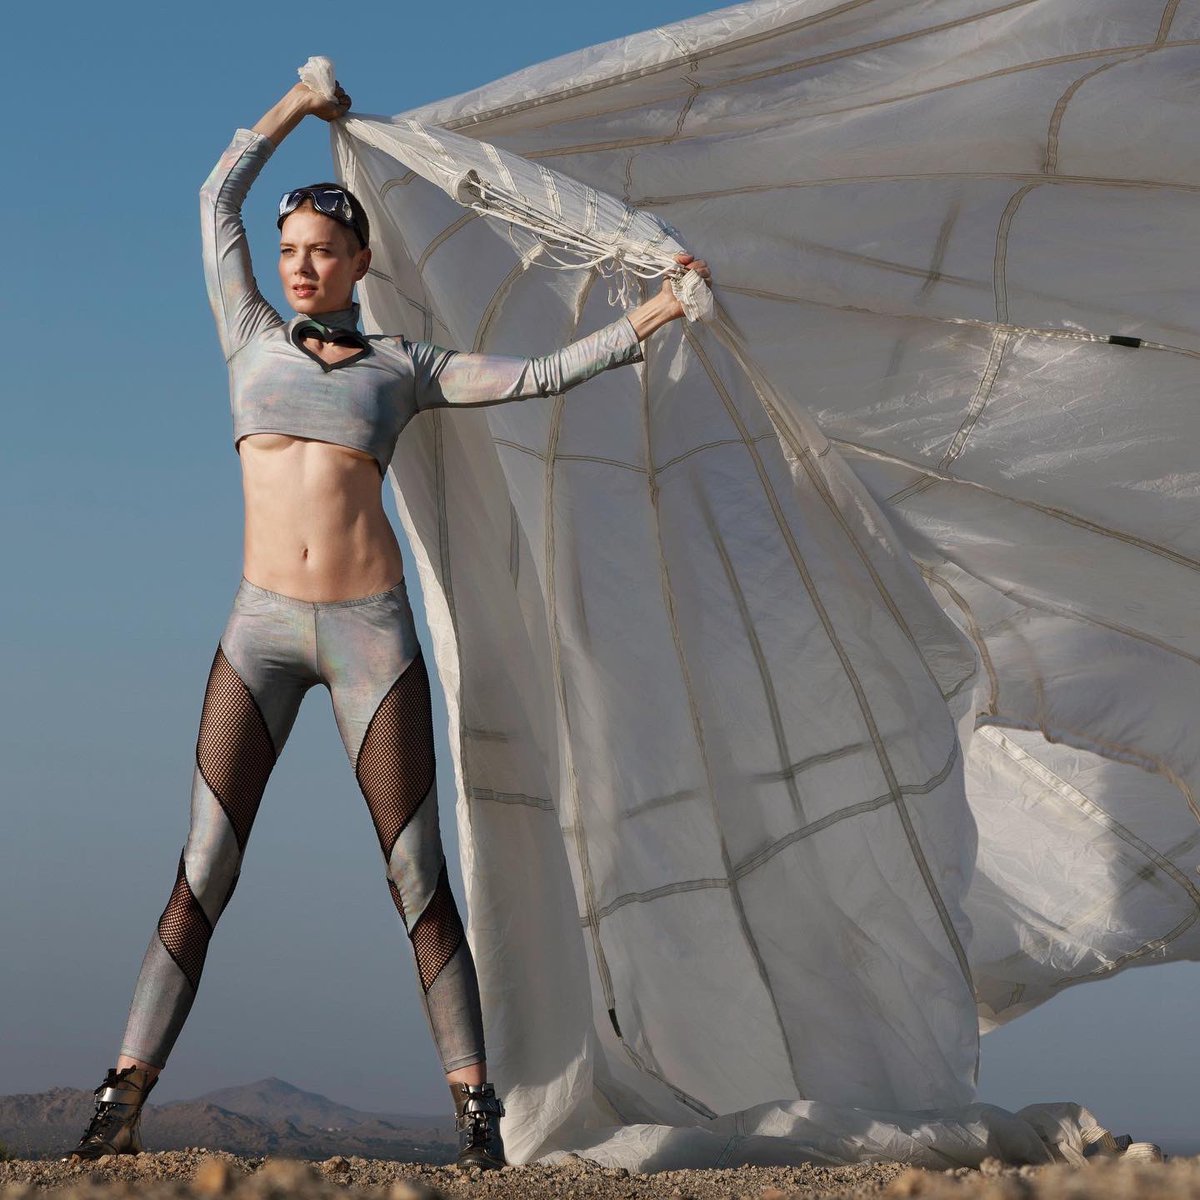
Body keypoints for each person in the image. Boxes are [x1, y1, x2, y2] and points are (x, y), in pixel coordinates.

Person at [68, 79, 711, 1170]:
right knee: (205, 866)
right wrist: (291, 107)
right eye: (293, 252)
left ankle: (476, 1113)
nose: (302, 266)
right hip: (257, 632)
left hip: (369, 635)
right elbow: (216, 197)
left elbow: (542, 373)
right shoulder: (248, 338)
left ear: (363, 263)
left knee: (417, 875)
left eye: (324, 250)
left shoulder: (402, 369)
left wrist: (651, 314)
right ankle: (121, 1096)